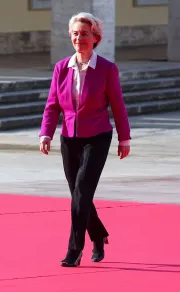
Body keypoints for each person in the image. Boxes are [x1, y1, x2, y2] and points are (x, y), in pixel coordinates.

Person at [39, 12, 131, 267]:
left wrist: (124, 139)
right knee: (79, 194)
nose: (80, 38)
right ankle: (98, 234)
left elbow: (118, 105)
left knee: (81, 193)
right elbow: (52, 105)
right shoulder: (61, 68)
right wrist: (46, 132)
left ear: (96, 38)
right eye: (76, 33)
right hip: (69, 138)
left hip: (98, 137)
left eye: (85, 34)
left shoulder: (106, 69)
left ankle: (74, 250)